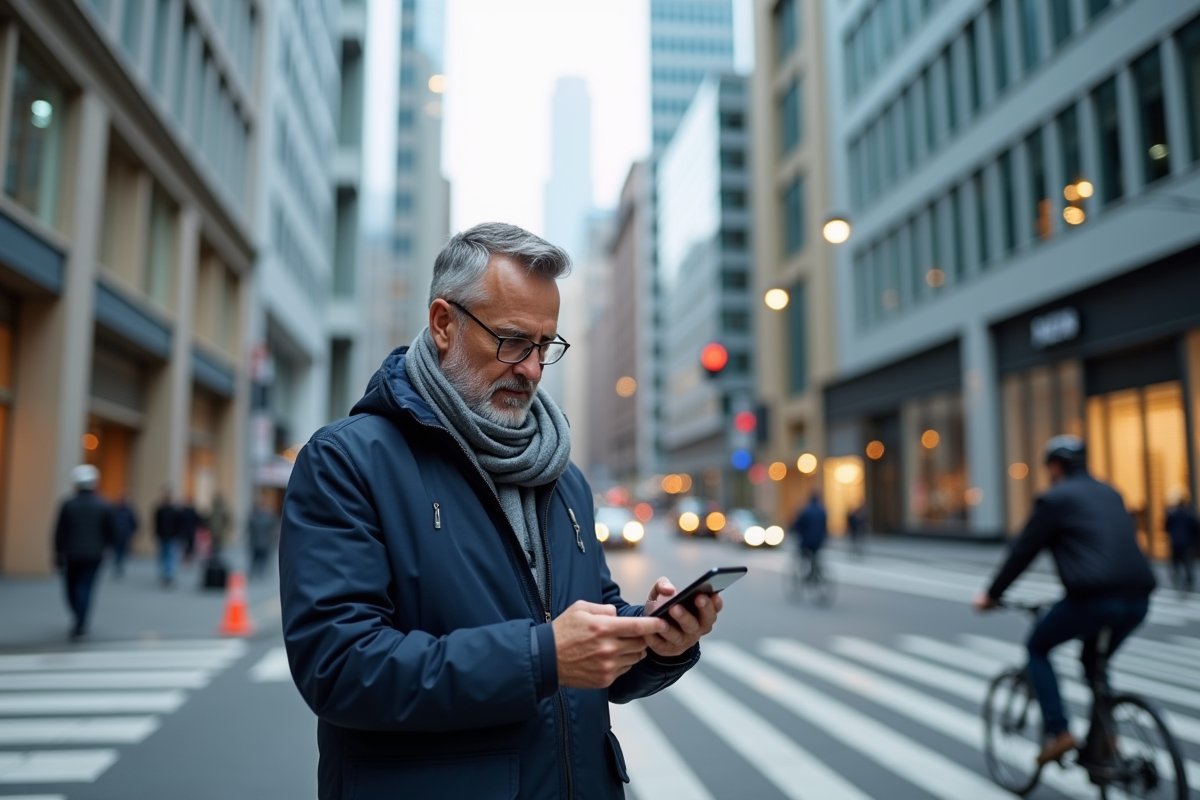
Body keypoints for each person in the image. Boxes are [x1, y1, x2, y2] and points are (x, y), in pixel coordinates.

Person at [280, 223, 722, 800]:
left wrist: (656, 636)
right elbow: (339, 668)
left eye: (545, 346)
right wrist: (541, 657)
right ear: (444, 324)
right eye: (512, 341)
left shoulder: (564, 475)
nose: (532, 369)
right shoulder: (347, 461)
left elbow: (588, 632)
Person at [973, 435, 1155, 768]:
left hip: (1094, 598)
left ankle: (1060, 732)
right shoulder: (1111, 492)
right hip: (1139, 599)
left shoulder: (1054, 499)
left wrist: (992, 594)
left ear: (1055, 467)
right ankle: (1106, 736)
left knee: (1037, 648)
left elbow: (1023, 552)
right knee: (1094, 663)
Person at [53, 465, 116, 639]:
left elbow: (59, 532)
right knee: (85, 587)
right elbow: (112, 531)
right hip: (94, 553)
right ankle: (81, 620)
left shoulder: (69, 504)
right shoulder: (103, 504)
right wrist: (108, 547)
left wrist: (57, 553)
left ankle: (79, 618)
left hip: (72, 553)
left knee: (72, 587)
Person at [1165, 489, 1199, 592]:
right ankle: (1188, 582)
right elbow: (1195, 528)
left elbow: (1167, 526)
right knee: (1187, 563)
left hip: (1176, 542)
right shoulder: (1189, 514)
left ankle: (1178, 581)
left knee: (1176, 563)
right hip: (1187, 542)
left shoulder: (1173, 514)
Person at [791, 491, 828, 576]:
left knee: (803, 553)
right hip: (819, 541)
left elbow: (798, 525)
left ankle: (807, 571)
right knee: (814, 555)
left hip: (807, 541)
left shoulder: (806, 512)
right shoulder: (822, 512)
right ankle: (814, 572)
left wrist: (794, 532)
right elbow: (824, 527)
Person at [246, 492, 279, 579]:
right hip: (263, 542)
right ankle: (260, 573)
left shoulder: (254, 516)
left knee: (256, 559)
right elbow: (274, 529)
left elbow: (249, 528)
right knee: (260, 559)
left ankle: (256, 573)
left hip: (257, 542)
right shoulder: (268, 516)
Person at [153, 487, 179, 587]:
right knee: (169, 555)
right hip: (169, 535)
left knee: (165, 555)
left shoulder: (161, 509)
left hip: (165, 535)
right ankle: (168, 574)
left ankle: (166, 574)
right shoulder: (172, 510)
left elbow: (156, 524)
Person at [110, 492, 139, 578]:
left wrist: (134, 532)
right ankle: (117, 563)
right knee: (117, 550)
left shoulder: (130, 510)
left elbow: (134, 522)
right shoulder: (116, 509)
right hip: (117, 533)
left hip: (126, 534)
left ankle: (119, 564)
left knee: (122, 551)